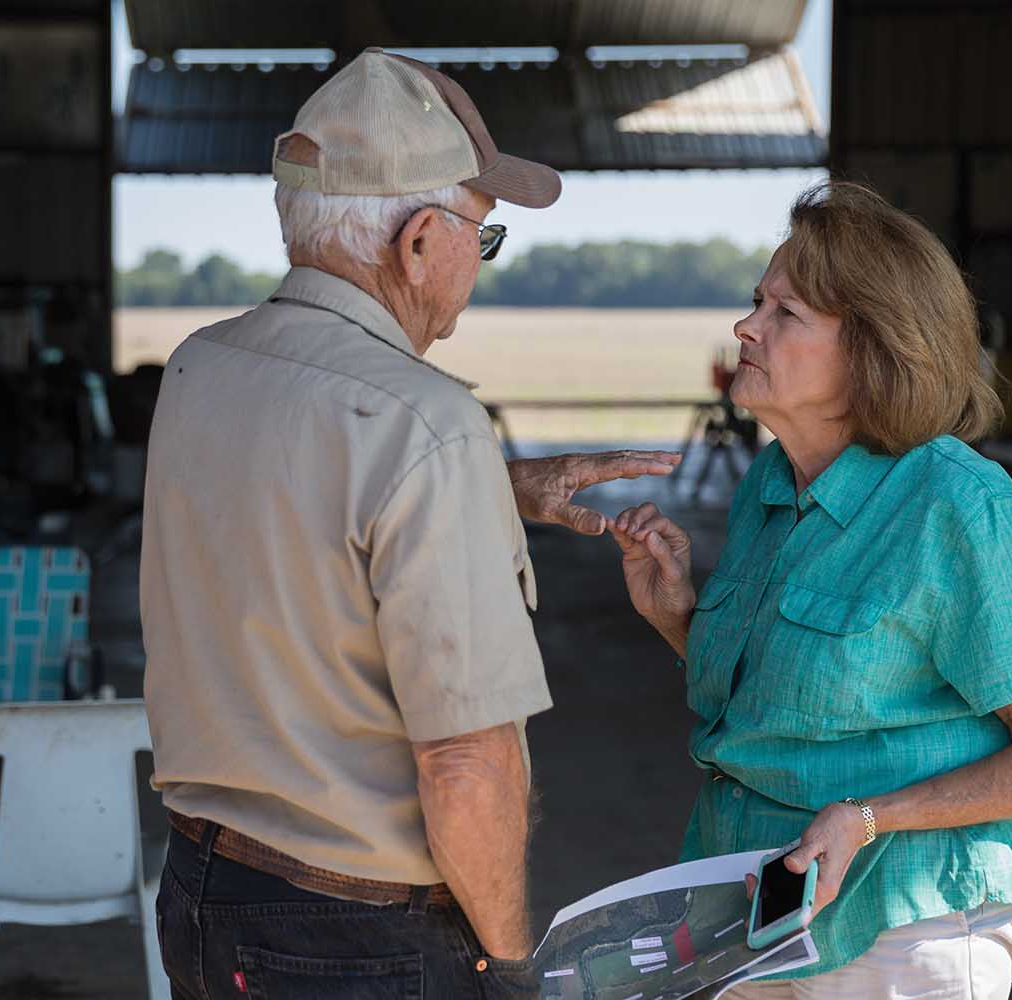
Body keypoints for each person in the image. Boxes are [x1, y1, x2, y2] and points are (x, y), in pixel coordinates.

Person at [141, 48, 677, 1000]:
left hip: (200, 896)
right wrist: (509, 966)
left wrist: (490, 487)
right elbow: (466, 763)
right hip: (354, 943)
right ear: (421, 241)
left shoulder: (199, 369)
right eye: (486, 234)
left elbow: (290, 491)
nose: (480, 259)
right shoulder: (427, 427)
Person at [609, 181, 1012, 999]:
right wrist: (677, 618)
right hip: (754, 906)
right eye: (756, 303)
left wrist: (870, 816)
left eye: (787, 314)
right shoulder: (770, 487)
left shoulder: (959, 508)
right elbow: (802, 705)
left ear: (873, 350)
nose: (747, 327)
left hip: (905, 927)